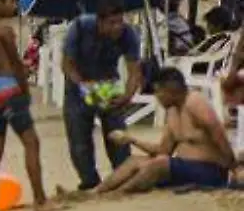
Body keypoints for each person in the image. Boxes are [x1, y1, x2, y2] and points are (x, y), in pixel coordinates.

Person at [0, 0, 56, 211]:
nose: (14, 6)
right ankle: (40, 200)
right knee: (31, 143)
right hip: (9, 89)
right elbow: (15, 65)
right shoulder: (3, 31)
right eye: (11, 1)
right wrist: (25, 91)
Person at [96, 68, 236, 194]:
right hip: (182, 168)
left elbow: (220, 136)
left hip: (210, 171)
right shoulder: (172, 112)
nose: (157, 96)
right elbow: (163, 151)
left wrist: (234, 168)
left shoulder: (195, 102)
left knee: (160, 163)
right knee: (134, 161)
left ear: (171, 90)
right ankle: (98, 191)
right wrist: (131, 140)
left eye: (158, 91)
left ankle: (118, 194)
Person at [60, 0, 143, 190]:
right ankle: (89, 181)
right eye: (112, 23)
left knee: (117, 134)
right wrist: (83, 85)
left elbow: (134, 70)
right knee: (79, 137)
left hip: (108, 85)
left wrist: (127, 96)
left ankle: (122, 175)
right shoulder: (79, 28)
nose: (117, 27)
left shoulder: (129, 34)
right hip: (78, 87)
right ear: (100, 21)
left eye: (120, 21)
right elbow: (66, 64)